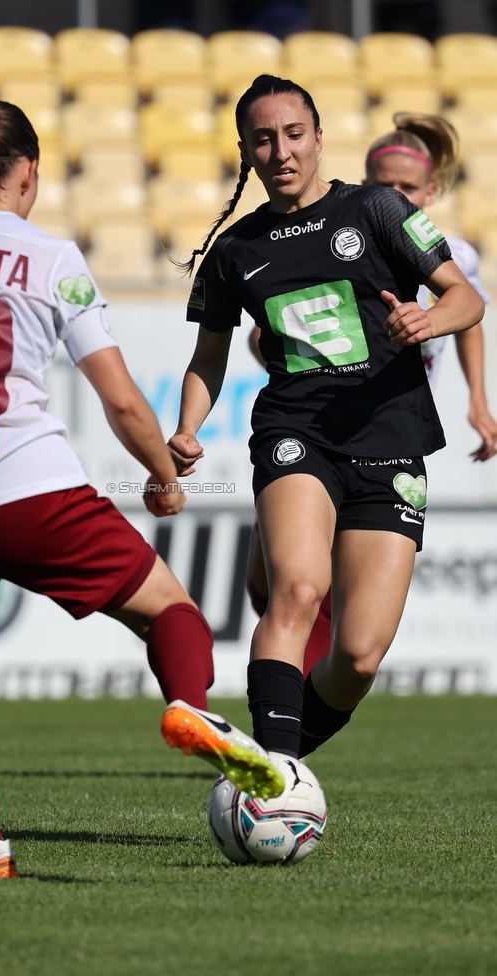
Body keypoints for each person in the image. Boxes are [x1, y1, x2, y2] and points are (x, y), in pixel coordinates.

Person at [0, 94, 284, 879]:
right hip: (31, 491)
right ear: (30, 175)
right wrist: (161, 475)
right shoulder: (50, 258)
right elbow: (119, 398)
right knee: (171, 612)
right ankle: (188, 704)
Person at [165, 74, 484, 770]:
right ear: (246, 151)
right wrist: (187, 427)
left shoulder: (377, 208)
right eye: (262, 139)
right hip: (294, 431)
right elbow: (208, 357)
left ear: (317, 138)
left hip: (391, 435)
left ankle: (272, 764)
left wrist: (429, 318)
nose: (280, 151)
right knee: (298, 591)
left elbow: (466, 298)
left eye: (293, 134)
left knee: (361, 656)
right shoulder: (232, 251)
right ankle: (275, 780)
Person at [243, 111, 497, 674]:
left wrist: (477, 399)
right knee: (276, 586)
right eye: (383, 183)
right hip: (315, 421)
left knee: (332, 597)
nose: (393, 194)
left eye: (406, 187)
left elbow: (469, 316)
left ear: (429, 192)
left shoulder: (450, 254)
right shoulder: (340, 234)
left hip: (387, 426)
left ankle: (285, 727)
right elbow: (262, 336)